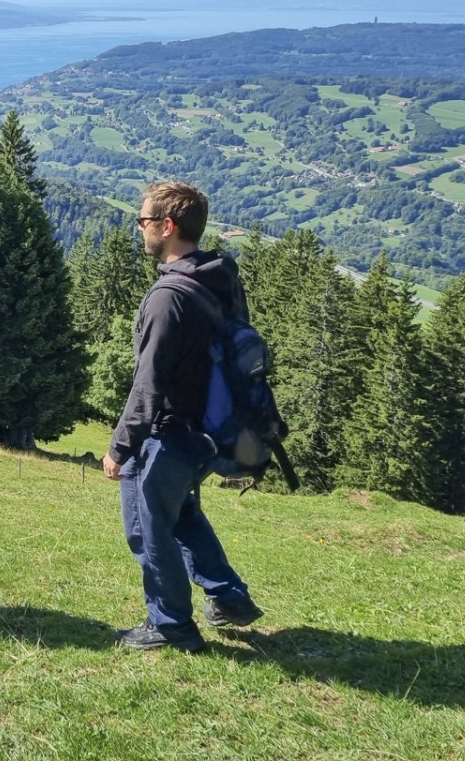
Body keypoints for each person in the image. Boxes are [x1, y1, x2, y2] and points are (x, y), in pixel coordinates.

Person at [102, 181, 264, 652]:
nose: (140, 228)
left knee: (147, 527)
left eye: (145, 221)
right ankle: (229, 597)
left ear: (167, 227)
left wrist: (120, 447)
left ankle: (170, 625)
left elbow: (149, 384)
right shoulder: (218, 274)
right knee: (183, 515)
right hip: (209, 432)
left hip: (168, 431)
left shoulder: (167, 297)